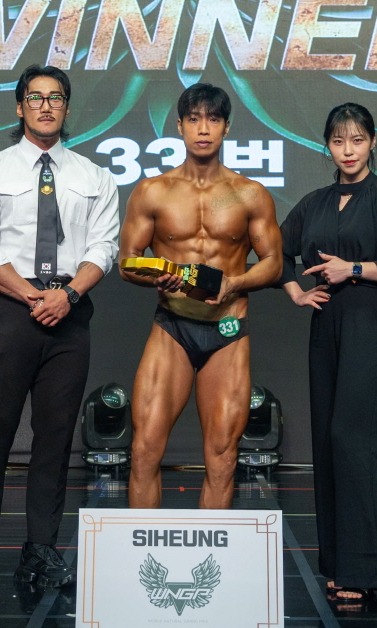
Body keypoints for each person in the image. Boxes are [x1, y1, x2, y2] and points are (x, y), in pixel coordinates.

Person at [0, 65, 119, 593]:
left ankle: (41, 549)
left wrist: (66, 296)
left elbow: (104, 248)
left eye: (55, 97)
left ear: (66, 107)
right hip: (14, 310)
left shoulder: (95, 177)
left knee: (55, 436)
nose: (46, 106)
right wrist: (33, 296)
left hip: (71, 312)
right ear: (19, 106)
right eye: (35, 97)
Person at [280, 103, 377, 607]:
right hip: (325, 324)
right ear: (327, 146)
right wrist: (295, 291)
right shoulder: (314, 203)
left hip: (367, 323)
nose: (348, 150)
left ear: (372, 142)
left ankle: (359, 571)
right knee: (326, 441)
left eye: (357, 140)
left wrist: (354, 269)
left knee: (352, 439)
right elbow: (274, 249)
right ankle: (336, 565)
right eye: (339, 141)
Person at [120, 83, 282, 510]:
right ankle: (143, 549)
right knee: (144, 449)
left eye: (213, 119)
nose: (203, 129)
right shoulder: (153, 191)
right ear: (179, 126)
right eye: (194, 119)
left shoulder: (250, 194)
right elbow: (127, 261)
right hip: (172, 326)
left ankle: (212, 552)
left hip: (227, 330)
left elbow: (273, 263)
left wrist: (234, 283)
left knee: (223, 457)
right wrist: (153, 277)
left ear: (226, 127)